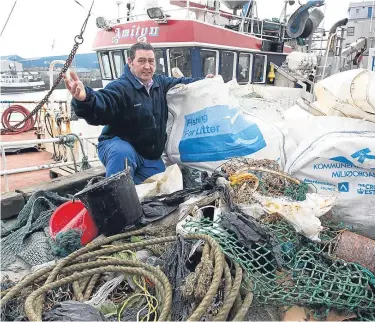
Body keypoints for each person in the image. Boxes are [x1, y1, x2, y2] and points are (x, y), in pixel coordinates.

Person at [64, 42, 214, 184]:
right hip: (119, 147)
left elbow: (183, 83)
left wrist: (204, 81)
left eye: (151, 61)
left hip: (149, 156)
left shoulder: (159, 83)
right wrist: (84, 99)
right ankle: (116, 198)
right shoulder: (120, 87)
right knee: (121, 153)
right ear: (130, 62)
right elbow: (102, 104)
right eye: (141, 61)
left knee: (162, 189)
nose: (147, 66)